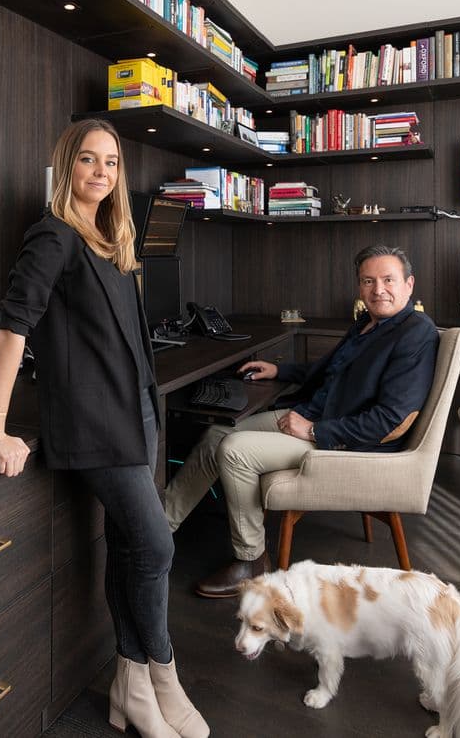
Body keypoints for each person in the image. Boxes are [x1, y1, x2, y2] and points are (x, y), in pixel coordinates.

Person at [0, 119, 209, 738]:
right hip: (92, 422)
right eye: (88, 160)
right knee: (156, 545)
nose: (101, 172)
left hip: (134, 411)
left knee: (130, 545)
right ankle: (161, 671)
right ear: (67, 167)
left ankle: (128, 690)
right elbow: (13, 327)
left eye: (110, 163)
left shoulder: (111, 242)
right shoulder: (53, 236)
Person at [165, 245, 439, 598]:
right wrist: (281, 370)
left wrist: (313, 430)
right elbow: (332, 371)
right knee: (218, 434)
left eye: (388, 280)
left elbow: (391, 420)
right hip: (316, 415)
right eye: (368, 281)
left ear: (409, 284)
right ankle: (160, 528)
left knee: (234, 451)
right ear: (359, 286)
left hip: (342, 437)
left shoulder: (415, 333)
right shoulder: (367, 324)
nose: (378, 290)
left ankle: (250, 562)